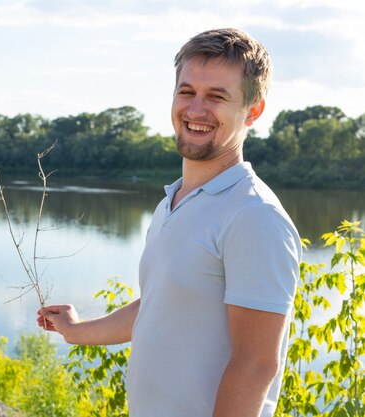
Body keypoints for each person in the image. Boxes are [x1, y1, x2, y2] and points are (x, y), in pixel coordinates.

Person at [37, 28, 302, 417]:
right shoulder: (173, 202)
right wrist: (77, 332)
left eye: (216, 96)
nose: (195, 110)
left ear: (253, 110)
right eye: (186, 91)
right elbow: (161, 305)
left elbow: (256, 365)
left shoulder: (253, 216)